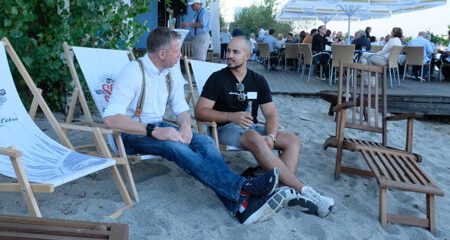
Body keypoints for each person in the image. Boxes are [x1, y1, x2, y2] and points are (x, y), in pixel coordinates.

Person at [102, 27, 287, 225]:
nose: (181, 55)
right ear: (162, 54)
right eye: (177, 51)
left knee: (205, 142)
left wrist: (185, 127)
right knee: (173, 146)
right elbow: (110, 119)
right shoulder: (133, 72)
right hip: (130, 134)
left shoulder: (170, 71)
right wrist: (154, 131)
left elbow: (181, 109)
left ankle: (239, 206)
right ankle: (242, 188)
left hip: (158, 127)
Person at [195, 36, 335, 218]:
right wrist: (231, 116)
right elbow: (200, 111)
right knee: (254, 136)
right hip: (224, 129)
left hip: (252, 129)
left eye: (235, 52)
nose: (229, 55)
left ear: (248, 55)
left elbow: (271, 114)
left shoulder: (258, 80)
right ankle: (303, 189)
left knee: (292, 140)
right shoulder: (218, 79)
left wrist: (271, 136)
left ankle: (283, 189)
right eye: (228, 51)